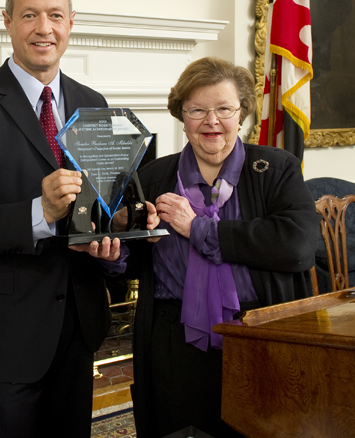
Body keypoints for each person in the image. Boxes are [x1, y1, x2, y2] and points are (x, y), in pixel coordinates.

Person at [0, 0, 158, 438]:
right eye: (29, 14)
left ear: (71, 21)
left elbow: (98, 207)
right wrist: (40, 213)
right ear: (7, 21)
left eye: (55, 14)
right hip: (4, 335)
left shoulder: (94, 103)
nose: (44, 28)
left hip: (77, 326)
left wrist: (119, 225)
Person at [124, 56, 320, 438]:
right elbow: (133, 260)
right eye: (197, 110)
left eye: (224, 109)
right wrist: (114, 255)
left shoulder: (276, 168)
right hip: (173, 339)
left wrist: (197, 229)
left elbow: (297, 244)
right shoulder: (152, 175)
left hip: (259, 335)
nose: (211, 121)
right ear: (182, 115)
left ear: (242, 112)